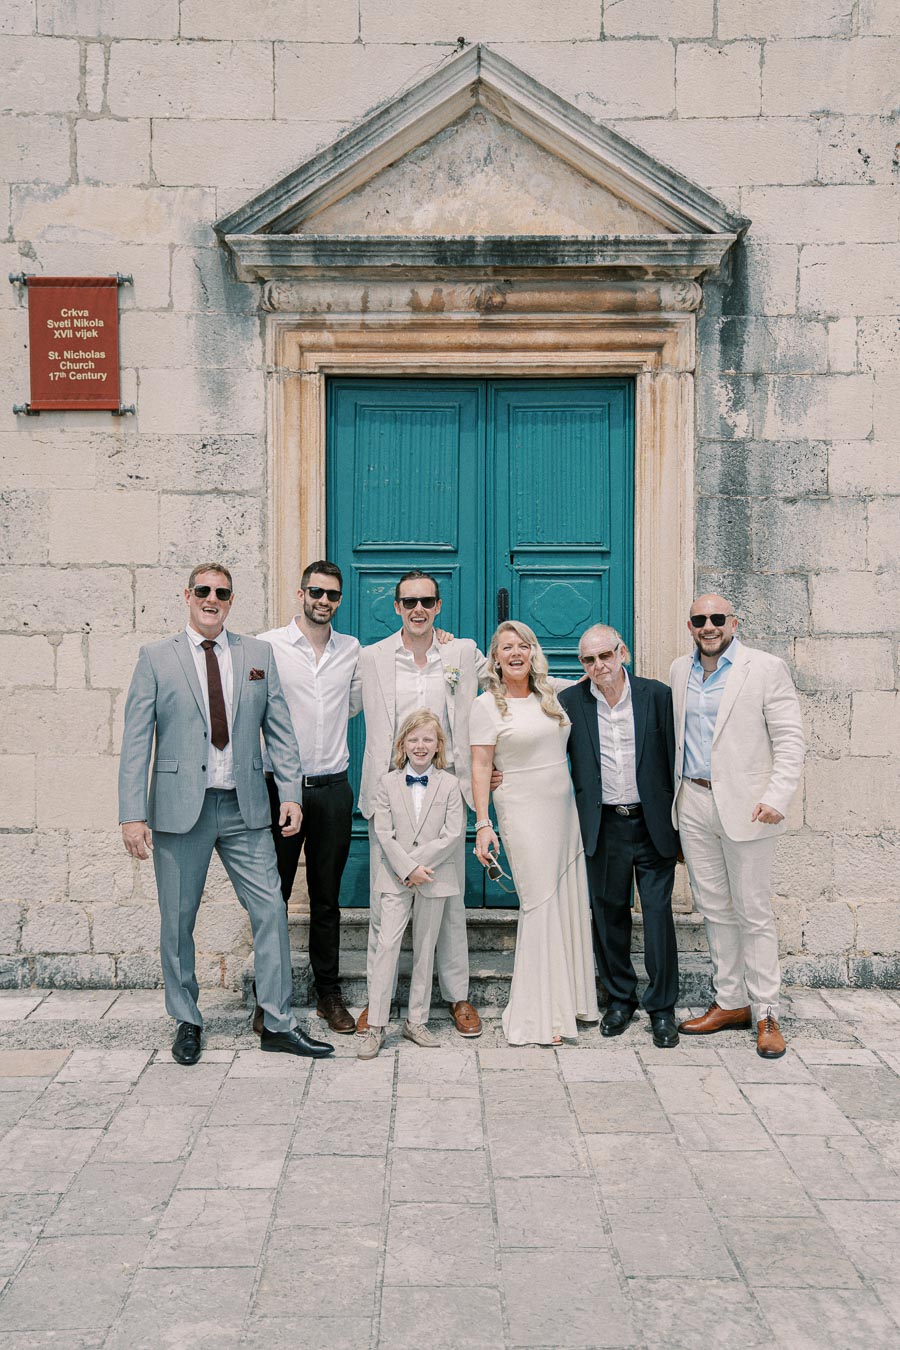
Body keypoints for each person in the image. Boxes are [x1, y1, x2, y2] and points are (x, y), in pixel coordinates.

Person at [118, 562, 334, 1065]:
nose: (212, 599)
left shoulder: (256, 654)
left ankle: (277, 1022)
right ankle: (187, 1019)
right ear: (188, 595)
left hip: (244, 808)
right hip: (178, 812)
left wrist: (291, 794)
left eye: (222, 593)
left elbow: (279, 729)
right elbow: (135, 742)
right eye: (204, 591)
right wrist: (132, 813)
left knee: (270, 912)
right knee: (177, 921)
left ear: (231, 600)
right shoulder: (155, 658)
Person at [671, 594, 805, 1060]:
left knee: (753, 910)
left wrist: (777, 796)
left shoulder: (764, 668)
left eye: (717, 619)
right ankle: (730, 1001)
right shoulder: (677, 671)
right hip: (692, 800)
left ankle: (766, 1010)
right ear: (690, 626)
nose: (708, 626)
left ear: (733, 622)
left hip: (750, 808)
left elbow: (790, 737)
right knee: (713, 907)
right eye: (699, 620)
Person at [356, 571, 486, 1039]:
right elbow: (333, 702)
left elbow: (511, 685)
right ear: (396, 606)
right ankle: (377, 1003)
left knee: (448, 904)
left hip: (446, 792)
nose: (418, 609)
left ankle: (457, 996)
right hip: (388, 794)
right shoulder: (371, 658)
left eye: (426, 601)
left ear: (438, 605)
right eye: (409, 601)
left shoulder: (461, 653)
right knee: (384, 905)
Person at [470, 621, 598, 1045]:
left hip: (564, 810)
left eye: (522, 645)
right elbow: (480, 766)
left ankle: (572, 1002)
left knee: (565, 899)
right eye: (506, 647)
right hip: (521, 809)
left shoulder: (553, 692)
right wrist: (483, 824)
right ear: (495, 657)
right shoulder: (486, 705)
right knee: (540, 901)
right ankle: (540, 1016)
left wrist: (609, 652)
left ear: (533, 652)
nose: (515, 653)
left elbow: (594, 672)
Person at [558, 625, 681, 1049]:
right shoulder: (569, 702)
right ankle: (620, 999)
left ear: (622, 652)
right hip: (604, 824)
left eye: (605, 656)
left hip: (651, 823)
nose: (598, 666)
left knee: (658, 915)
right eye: (588, 660)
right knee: (608, 914)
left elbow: (674, 758)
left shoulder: (657, 695)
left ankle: (662, 1009)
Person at [257, 561, 361, 1035]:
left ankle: (328, 994)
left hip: (333, 788)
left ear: (340, 600)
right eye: (316, 592)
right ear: (300, 593)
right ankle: (269, 997)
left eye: (333, 595)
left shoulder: (352, 650)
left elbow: (356, 704)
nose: (324, 600)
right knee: (272, 896)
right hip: (279, 788)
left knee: (326, 899)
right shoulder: (268, 646)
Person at [358, 710, 465, 1060]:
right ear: (403, 744)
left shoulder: (449, 784)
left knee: (426, 948)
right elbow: (384, 834)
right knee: (387, 945)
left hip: (434, 877)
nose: (420, 745)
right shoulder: (387, 783)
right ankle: (376, 1025)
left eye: (428, 740)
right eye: (414, 739)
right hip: (394, 877)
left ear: (438, 746)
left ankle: (416, 1020)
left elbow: (452, 834)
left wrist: (421, 865)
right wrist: (407, 868)